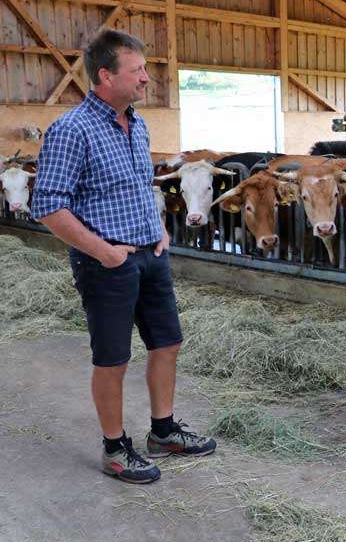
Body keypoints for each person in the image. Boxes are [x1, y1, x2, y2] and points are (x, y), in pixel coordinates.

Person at [31, 30, 216, 484]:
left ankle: (163, 430)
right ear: (106, 75)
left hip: (150, 255)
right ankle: (116, 448)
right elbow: (48, 206)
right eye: (138, 71)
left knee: (167, 344)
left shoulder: (138, 124)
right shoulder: (72, 130)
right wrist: (105, 253)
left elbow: (139, 188)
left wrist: (161, 230)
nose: (147, 79)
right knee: (113, 359)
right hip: (106, 263)